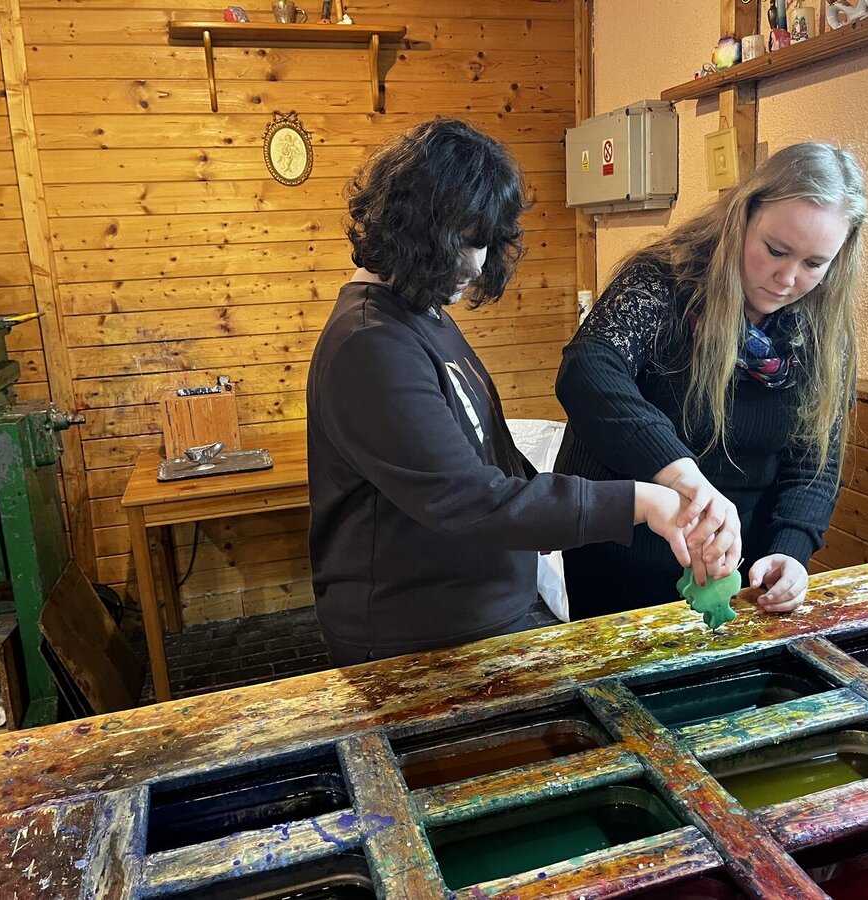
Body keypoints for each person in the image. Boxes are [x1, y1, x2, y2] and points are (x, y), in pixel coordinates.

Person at [306, 119, 723, 667]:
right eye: (464, 240)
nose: (478, 263)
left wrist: (591, 509)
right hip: (410, 638)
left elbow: (495, 463)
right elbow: (469, 498)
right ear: (411, 227)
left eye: (485, 240)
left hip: (475, 618)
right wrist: (639, 503)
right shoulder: (371, 344)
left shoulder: (423, 316)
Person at [555, 141, 868, 620]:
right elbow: (587, 372)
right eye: (775, 250)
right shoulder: (664, 280)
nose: (787, 278)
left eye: (813, 264)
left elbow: (814, 462)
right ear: (743, 217)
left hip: (739, 569)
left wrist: (790, 550)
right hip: (621, 555)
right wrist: (682, 475)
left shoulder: (823, 330)